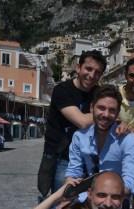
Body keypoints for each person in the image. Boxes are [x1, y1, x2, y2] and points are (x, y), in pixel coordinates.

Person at [38, 50, 106, 197]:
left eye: (97, 72)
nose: (92, 75)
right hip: (61, 157)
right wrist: (106, 114)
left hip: (89, 159)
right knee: (63, 201)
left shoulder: (99, 93)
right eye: (88, 69)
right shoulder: (62, 90)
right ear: (78, 67)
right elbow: (81, 121)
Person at [65, 84, 134, 198]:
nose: (106, 114)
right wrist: (69, 191)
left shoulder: (127, 139)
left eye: (112, 110)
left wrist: (104, 197)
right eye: (101, 108)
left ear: (118, 113)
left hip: (116, 198)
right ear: (91, 108)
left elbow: (129, 182)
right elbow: (73, 173)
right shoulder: (80, 136)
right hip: (85, 197)